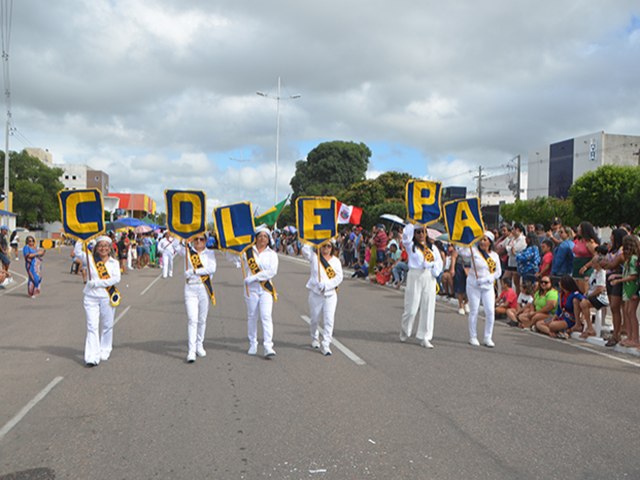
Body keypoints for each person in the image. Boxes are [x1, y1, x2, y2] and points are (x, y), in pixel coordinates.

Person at [399, 223, 443, 348]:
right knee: (411, 308)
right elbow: (406, 237)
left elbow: (439, 262)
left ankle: (425, 336)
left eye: (423, 231)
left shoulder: (433, 248)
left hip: (429, 276)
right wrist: (412, 221)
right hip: (415, 276)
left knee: (428, 307)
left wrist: (434, 269)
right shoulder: (411, 246)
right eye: (418, 232)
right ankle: (405, 329)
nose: (421, 234)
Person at [175, 234, 217, 363]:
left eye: (201, 239)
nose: (198, 242)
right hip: (190, 288)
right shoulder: (187, 251)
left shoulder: (210, 253)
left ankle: (200, 344)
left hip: (204, 288)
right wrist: (182, 238)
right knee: (192, 319)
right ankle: (191, 350)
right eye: (196, 239)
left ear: (205, 241)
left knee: (202, 319)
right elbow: (175, 247)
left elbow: (211, 269)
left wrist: (194, 272)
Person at [239, 226, 279, 357]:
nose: (262, 238)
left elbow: (272, 271)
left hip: (265, 288)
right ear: (255, 238)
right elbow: (234, 261)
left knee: (266, 316)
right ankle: (253, 343)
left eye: (265, 236)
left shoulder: (272, 254)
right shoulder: (247, 252)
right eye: (260, 236)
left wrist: (255, 277)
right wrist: (231, 249)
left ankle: (268, 346)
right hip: (251, 289)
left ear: (268, 240)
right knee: (252, 316)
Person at [83, 235, 121, 367]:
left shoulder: (114, 263)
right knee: (92, 326)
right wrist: (81, 237)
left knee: (107, 325)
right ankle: (92, 356)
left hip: (106, 296)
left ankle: (105, 349)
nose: (103, 248)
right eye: (100, 246)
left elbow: (116, 279)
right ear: (96, 248)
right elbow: (77, 252)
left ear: (110, 248)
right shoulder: (90, 259)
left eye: (106, 246)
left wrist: (97, 283)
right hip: (90, 297)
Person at [459, 231, 502, 347]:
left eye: (485, 240)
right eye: (481, 239)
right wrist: (465, 242)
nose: (482, 242)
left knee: (490, 311)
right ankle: (473, 336)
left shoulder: (494, 256)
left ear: (490, 242)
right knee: (474, 310)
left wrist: (489, 278)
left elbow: (498, 272)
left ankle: (488, 337)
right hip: (474, 284)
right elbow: (462, 252)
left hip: (487, 285)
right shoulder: (474, 251)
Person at [302, 241, 344, 356]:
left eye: (329, 246)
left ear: (332, 248)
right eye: (324, 245)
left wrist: (327, 285)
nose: (326, 248)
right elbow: (305, 250)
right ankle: (315, 338)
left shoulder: (336, 261)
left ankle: (326, 344)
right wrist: (312, 239)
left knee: (329, 320)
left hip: (330, 294)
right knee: (314, 319)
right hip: (316, 294)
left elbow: (339, 277)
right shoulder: (314, 257)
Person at [609, 235, 640, 348]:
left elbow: (633, 276)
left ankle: (635, 338)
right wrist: (618, 276)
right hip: (627, 288)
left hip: (632, 288)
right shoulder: (630, 259)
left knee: (631, 313)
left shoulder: (633, 259)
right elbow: (628, 274)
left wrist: (619, 281)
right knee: (627, 312)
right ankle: (630, 336)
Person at [600, 228, 627, 347]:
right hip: (609, 277)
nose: (610, 237)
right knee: (613, 307)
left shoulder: (622, 251)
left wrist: (608, 264)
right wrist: (607, 264)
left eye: (612, 235)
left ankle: (617, 334)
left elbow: (612, 264)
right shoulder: (613, 249)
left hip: (617, 279)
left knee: (616, 308)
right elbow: (604, 263)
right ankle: (615, 333)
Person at [576, 248, 609, 338]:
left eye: (593, 263)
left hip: (601, 297)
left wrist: (588, 296)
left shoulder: (602, 273)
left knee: (584, 303)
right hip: (593, 294)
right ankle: (579, 323)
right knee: (576, 300)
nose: (592, 264)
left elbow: (600, 289)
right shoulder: (594, 272)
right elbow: (589, 285)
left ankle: (590, 328)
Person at [504, 223, 527, 295]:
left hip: (517, 263)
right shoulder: (512, 239)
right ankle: (507, 295)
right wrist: (511, 249)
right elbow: (507, 247)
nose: (512, 231)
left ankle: (517, 297)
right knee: (505, 279)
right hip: (510, 262)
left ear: (517, 229)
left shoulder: (523, 239)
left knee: (516, 282)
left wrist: (511, 249)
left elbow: (516, 249)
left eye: (513, 229)